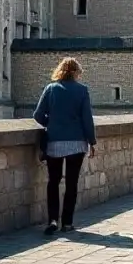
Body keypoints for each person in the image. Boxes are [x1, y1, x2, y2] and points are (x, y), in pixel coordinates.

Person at [33, 57, 97, 235]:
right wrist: (92, 141)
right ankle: (67, 223)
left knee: (53, 182)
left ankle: (52, 220)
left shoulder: (51, 89)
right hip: (77, 143)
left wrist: (51, 122)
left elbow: (38, 115)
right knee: (71, 183)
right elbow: (87, 119)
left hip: (54, 142)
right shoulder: (82, 90)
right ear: (76, 73)